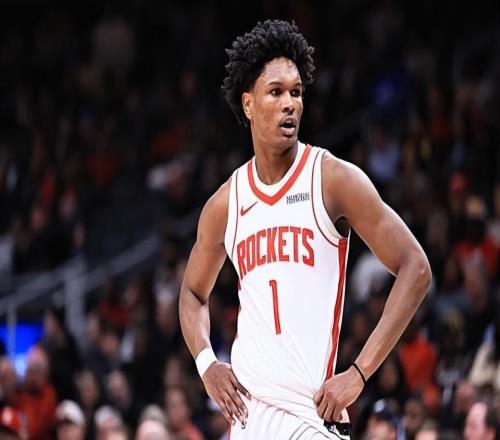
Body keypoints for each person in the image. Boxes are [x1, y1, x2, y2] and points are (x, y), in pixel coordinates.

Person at [179, 19, 431, 439]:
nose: (290, 104)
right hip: (248, 419)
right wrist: (207, 364)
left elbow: (416, 267)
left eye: (296, 92)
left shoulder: (332, 179)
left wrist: (358, 373)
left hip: (311, 417)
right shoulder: (226, 203)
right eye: (276, 92)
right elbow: (191, 293)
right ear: (248, 104)